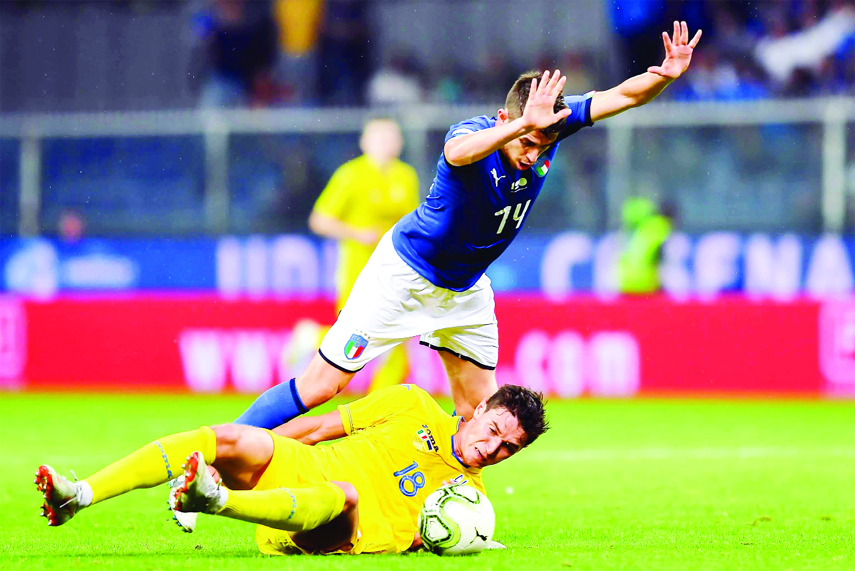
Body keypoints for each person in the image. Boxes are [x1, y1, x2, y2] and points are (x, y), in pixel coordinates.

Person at [234, 22, 703, 429]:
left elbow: (622, 95)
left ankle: (457, 508)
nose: (534, 152)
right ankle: (214, 452)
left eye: (545, 142)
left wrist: (661, 77)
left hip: (465, 290)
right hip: (405, 276)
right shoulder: (472, 132)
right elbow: (457, 154)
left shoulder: (552, 125)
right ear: (507, 120)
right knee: (321, 386)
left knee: (482, 413)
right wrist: (521, 128)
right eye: (528, 139)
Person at [36, 384, 547, 555]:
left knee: (344, 491)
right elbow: (320, 428)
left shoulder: (470, 504)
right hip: (300, 469)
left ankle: (215, 501)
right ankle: (80, 493)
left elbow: (448, 540)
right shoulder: (412, 403)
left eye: (509, 449)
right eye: (496, 428)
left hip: (336, 527)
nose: (493, 447)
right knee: (232, 436)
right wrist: (253, 452)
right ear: (479, 409)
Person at [307, 117, 420, 393]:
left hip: (396, 269)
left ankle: (381, 403)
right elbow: (319, 220)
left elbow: (415, 220)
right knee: (354, 336)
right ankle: (312, 338)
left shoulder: (406, 176)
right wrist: (358, 233)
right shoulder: (350, 175)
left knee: (400, 334)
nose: (387, 144)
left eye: (392, 137)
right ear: (365, 142)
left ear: (400, 143)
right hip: (358, 268)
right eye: (380, 138)